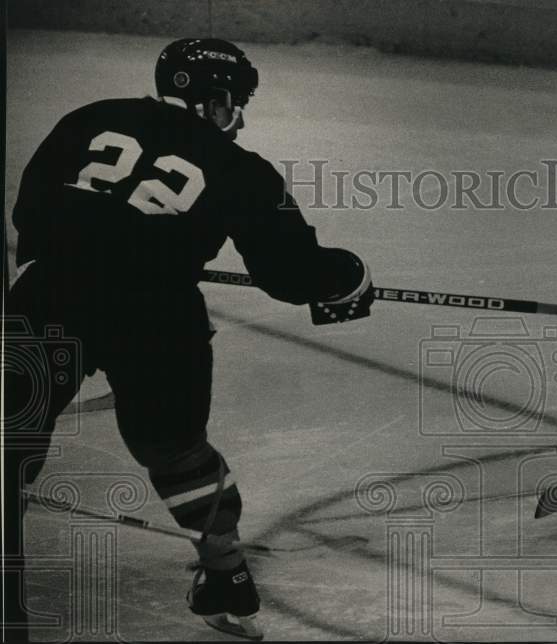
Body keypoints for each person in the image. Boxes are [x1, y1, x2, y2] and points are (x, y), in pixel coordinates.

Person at [4, 38, 374, 640]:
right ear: (215, 100)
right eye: (234, 104)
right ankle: (225, 577)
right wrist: (347, 278)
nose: (237, 118)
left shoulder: (91, 117)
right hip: (157, 313)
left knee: (9, 435)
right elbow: (289, 274)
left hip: (51, 295)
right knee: (177, 451)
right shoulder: (242, 170)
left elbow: (32, 216)